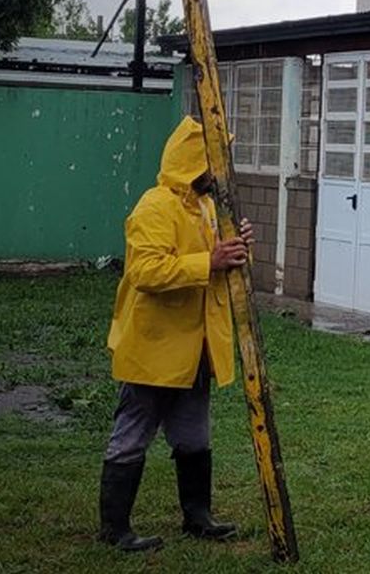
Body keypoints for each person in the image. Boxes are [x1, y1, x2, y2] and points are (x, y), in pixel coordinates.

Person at [98, 115, 251, 551]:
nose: (218, 171)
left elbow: (218, 267)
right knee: (132, 435)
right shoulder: (155, 206)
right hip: (155, 347)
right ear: (192, 162)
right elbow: (146, 271)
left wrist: (236, 250)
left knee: (194, 436)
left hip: (196, 347)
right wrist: (210, 261)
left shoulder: (204, 208)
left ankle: (198, 517)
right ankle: (115, 529)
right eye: (213, 161)